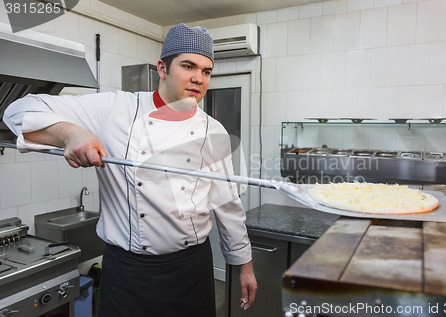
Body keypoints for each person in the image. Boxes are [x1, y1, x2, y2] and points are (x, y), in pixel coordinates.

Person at [3, 23, 257, 317]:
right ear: (162, 68)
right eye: (188, 66)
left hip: (191, 269)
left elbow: (228, 204)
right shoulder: (115, 109)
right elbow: (16, 111)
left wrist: (245, 266)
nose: (198, 78)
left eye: (206, 71)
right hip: (128, 273)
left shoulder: (214, 131)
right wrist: (70, 134)